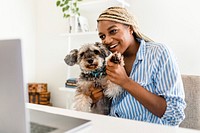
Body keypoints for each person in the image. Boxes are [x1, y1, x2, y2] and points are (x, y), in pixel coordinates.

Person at [89, 6, 186, 126]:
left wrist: (125, 82)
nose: (107, 40)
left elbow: (175, 114)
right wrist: (95, 100)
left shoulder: (158, 53)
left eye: (113, 31)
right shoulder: (109, 60)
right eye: (102, 36)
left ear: (130, 28)